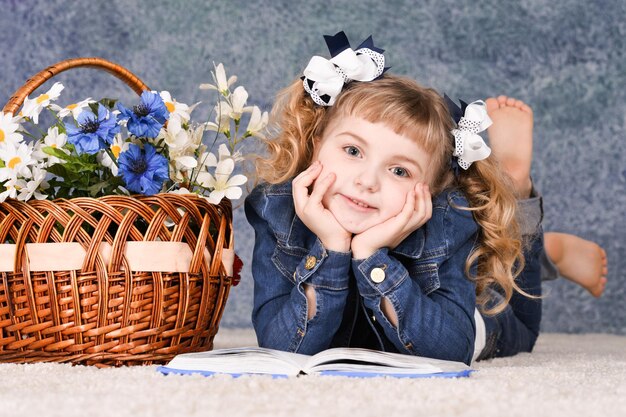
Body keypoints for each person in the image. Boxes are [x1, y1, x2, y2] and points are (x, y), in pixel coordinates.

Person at [244, 32, 607, 365]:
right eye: (353, 150)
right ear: (316, 142)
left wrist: (370, 256)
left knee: (519, 330)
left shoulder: (448, 219)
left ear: (431, 190)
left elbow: (449, 353)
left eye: (399, 171)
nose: (367, 181)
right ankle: (524, 245)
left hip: (458, 310)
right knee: (494, 248)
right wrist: (332, 247)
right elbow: (281, 349)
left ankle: (517, 206)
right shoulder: (277, 207)